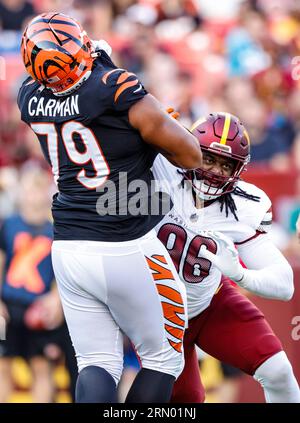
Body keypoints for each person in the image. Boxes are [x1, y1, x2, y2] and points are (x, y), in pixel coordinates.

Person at [18, 12, 202, 403]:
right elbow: (190, 154)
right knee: (164, 359)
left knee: (95, 361)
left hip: (69, 247)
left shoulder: (29, 97)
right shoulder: (115, 87)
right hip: (126, 242)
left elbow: (86, 104)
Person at [152, 112, 300, 402]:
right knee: (187, 399)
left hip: (210, 303)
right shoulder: (161, 172)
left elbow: (285, 285)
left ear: (238, 170)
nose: (216, 171)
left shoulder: (243, 206)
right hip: (157, 314)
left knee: (278, 371)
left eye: (225, 164)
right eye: (208, 159)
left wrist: (241, 275)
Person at [0, 166, 73, 402]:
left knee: (42, 368)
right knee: (3, 365)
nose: (33, 196)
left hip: (38, 307)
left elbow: (60, 273)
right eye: (29, 190)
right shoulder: (9, 224)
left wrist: (54, 300)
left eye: (38, 190)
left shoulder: (55, 229)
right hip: (7, 306)